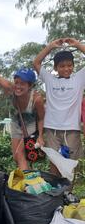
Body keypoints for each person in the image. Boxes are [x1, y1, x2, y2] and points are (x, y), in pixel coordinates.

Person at [33, 38, 85, 174]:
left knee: (71, 164)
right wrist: (50, 46)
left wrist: (78, 45)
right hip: (52, 129)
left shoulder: (79, 79)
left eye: (69, 65)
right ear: (55, 68)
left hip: (72, 129)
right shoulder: (49, 79)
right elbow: (36, 62)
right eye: (62, 66)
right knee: (54, 162)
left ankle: (68, 188)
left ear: (73, 66)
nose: (66, 68)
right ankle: (56, 187)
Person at [0, 59, 45, 170]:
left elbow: (41, 118)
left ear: (30, 85)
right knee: (16, 157)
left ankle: (27, 180)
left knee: (20, 154)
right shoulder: (11, 88)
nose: (18, 86)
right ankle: (29, 175)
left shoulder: (36, 99)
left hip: (31, 125)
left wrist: (40, 136)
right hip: (16, 123)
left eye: (22, 84)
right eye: (16, 82)